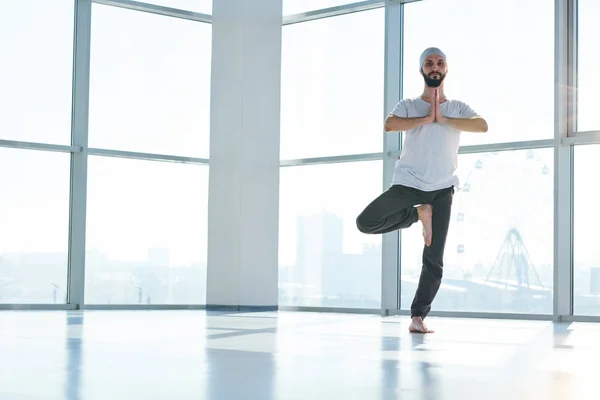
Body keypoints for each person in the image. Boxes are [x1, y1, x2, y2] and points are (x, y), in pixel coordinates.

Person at [356, 47, 488, 333]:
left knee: (434, 258)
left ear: (446, 69)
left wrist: (444, 119)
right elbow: (390, 125)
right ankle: (419, 214)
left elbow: (482, 125)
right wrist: (425, 119)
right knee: (366, 222)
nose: (434, 66)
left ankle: (418, 317)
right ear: (422, 70)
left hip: (442, 188)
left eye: (440, 62)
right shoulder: (408, 104)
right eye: (429, 63)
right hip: (409, 183)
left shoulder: (457, 108)